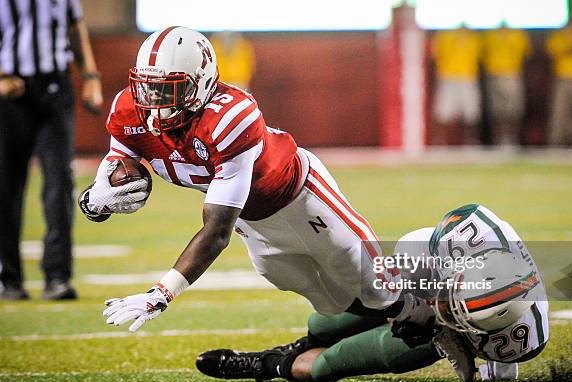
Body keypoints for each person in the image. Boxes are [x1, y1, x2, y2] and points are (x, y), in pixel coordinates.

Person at [80, 27, 469, 360]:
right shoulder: (129, 111)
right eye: (146, 88)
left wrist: (162, 293)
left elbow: (216, 232)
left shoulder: (229, 117)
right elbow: (118, 166)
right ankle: (407, 323)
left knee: (373, 283)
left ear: (199, 85)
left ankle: (453, 310)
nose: (152, 102)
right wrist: (96, 201)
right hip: (254, 220)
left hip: (301, 195)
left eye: (166, 90)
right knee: (329, 303)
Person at [196, 204, 549, 382]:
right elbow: (405, 258)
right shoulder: (466, 234)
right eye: (452, 304)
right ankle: (301, 343)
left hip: (451, 333)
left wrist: (446, 333)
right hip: (420, 279)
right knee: (326, 320)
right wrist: (410, 305)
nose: (446, 310)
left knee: (331, 364)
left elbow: (504, 370)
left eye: (458, 315)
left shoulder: (520, 337)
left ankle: (266, 364)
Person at [0, 0, 103, 300]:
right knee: (6, 187)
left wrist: (90, 77)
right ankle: (9, 279)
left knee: (59, 183)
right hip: (10, 90)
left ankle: (57, 277)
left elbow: (75, 26)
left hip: (55, 88)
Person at [431, 27, 482, 144]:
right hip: (448, 75)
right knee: (443, 110)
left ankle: (471, 141)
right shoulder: (443, 35)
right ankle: (440, 142)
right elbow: (434, 55)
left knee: (471, 111)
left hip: (467, 75)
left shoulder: (473, 37)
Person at [482, 26, 531, 145]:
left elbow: (526, 54)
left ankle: (512, 138)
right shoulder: (490, 34)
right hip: (494, 73)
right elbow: (483, 54)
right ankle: (498, 140)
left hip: (512, 73)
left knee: (513, 109)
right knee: (497, 110)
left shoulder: (518, 34)